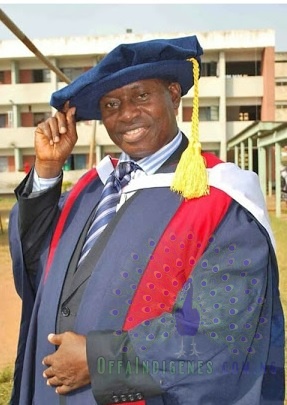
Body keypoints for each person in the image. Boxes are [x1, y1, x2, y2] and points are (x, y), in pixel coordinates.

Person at [9, 36, 285, 405]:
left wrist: (101, 360)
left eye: (141, 96)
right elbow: (36, 262)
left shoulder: (221, 198)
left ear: (174, 94)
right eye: (111, 104)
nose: (125, 114)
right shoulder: (93, 187)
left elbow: (220, 325)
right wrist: (46, 170)